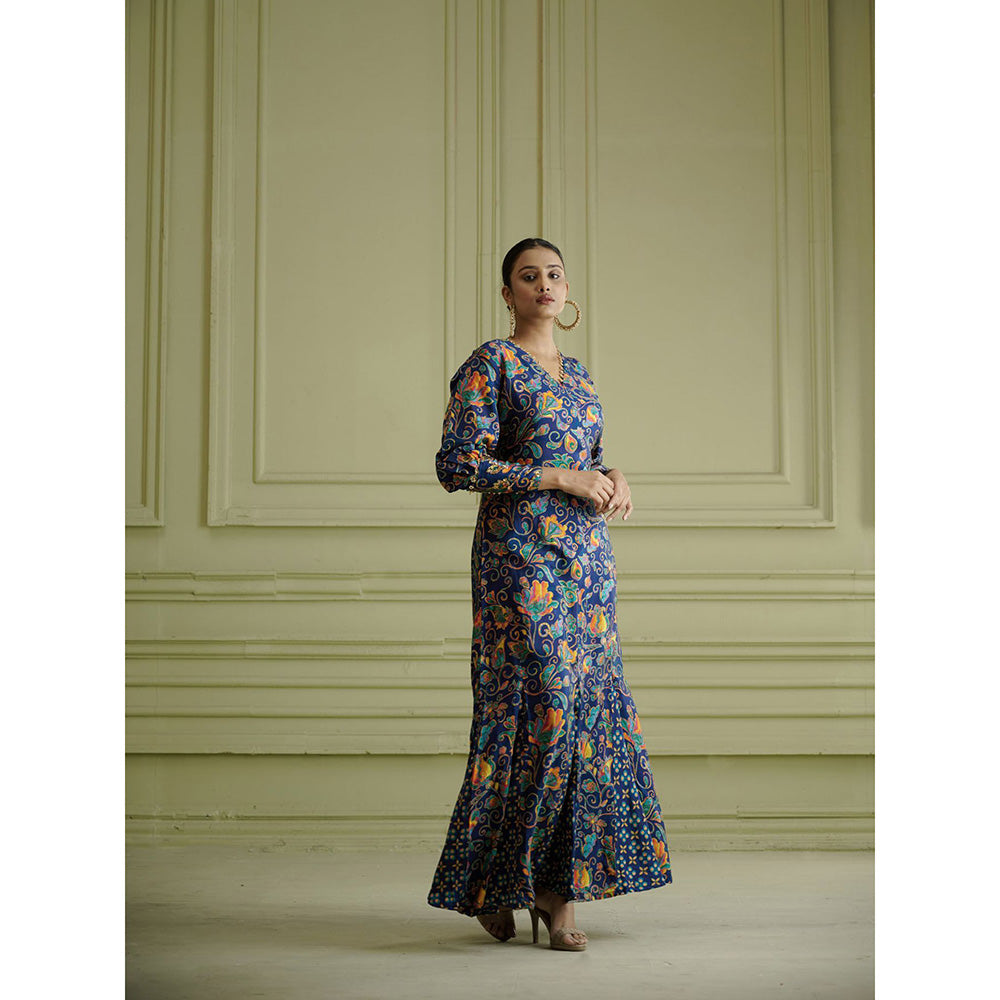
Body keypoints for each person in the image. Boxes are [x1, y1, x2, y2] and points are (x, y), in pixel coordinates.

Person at [426, 238, 673, 952]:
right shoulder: (491, 364)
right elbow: (457, 464)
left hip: (586, 563)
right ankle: (496, 882)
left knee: (585, 715)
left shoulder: (581, 375)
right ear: (508, 294)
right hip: (518, 561)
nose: (544, 284)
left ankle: (558, 898)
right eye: (528, 276)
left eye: (554, 275)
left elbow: (584, 457)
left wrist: (612, 476)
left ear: (568, 291)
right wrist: (561, 478)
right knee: (539, 711)